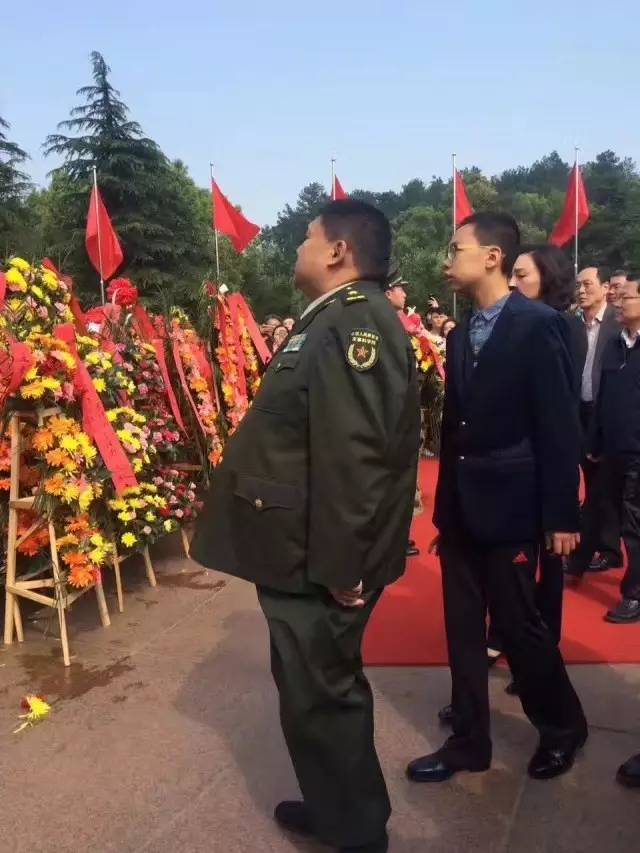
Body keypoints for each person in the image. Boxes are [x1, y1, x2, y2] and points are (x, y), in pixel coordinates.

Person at [190, 200, 420, 853]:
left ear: (339, 252)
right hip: (303, 548)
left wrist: (344, 564)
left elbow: (356, 455)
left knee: (324, 693)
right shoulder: (330, 321)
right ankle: (335, 806)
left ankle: (355, 832)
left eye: (305, 238)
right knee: (308, 689)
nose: (296, 249)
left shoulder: (355, 324)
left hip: (320, 558)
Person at [407, 212, 587, 785]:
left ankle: (562, 727)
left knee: (519, 624)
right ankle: (469, 741)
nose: (445, 260)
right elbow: (452, 430)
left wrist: (560, 514)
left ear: (492, 257)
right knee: (461, 627)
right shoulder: (460, 335)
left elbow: (558, 425)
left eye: (454, 248)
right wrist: (445, 510)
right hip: (462, 508)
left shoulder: (539, 326)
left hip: (515, 505)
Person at [588, 274, 640, 623]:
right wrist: (595, 439)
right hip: (613, 449)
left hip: (638, 452)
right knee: (609, 514)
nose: (617, 301)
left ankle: (634, 594)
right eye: (617, 296)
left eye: (626, 296)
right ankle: (591, 558)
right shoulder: (615, 343)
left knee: (635, 524)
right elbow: (602, 395)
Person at [566, 266, 623, 579]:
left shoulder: (618, 324)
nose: (582, 290)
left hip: (608, 417)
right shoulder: (573, 326)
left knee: (601, 490)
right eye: (578, 285)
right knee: (596, 485)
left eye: (588, 284)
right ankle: (610, 550)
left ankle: (580, 558)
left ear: (605, 288)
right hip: (579, 413)